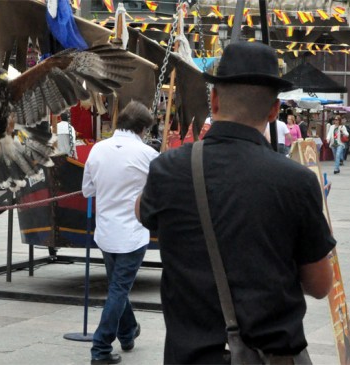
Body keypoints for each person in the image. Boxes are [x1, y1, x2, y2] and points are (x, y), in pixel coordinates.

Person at [136, 42, 335, 364]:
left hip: (191, 357)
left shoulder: (168, 169)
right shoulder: (297, 182)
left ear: (214, 100)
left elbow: (142, 212)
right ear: (273, 111)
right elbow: (320, 284)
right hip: (271, 357)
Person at [82, 101, 159, 365]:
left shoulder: (97, 149)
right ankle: (101, 346)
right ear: (141, 129)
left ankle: (127, 333)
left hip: (105, 231)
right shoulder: (148, 154)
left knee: (118, 287)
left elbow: (87, 191)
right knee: (118, 289)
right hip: (133, 233)